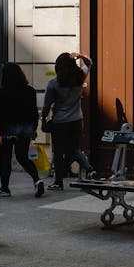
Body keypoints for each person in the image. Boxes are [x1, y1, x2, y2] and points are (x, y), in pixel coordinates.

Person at [41, 52, 94, 190]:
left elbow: (46, 105)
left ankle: (58, 182)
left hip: (60, 122)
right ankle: (89, 169)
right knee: (74, 149)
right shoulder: (80, 78)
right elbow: (89, 63)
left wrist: (43, 119)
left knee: (58, 152)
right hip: (77, 120)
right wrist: (80, 56)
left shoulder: (53, 84)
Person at [0, 62, 46, 197]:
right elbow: (34, 113)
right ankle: (37, 180)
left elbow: (0, 114)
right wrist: (33, 129)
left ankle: (5, 189)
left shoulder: (3, 92)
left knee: (5, 159)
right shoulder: (30, 91)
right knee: (22, 157)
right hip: (24, 130)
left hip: (7, 130)